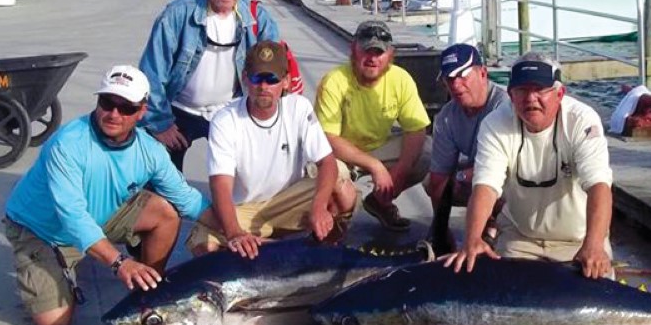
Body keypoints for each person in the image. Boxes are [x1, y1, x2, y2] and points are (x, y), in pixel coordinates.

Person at [3, 66, 211, 325]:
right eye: (107, 102)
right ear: (98, 101)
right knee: (54, 324)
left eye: (126, 108)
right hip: (43, 231)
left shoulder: (150, 151)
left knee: (166, 212)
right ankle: (59, 262)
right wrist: (118, 262)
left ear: (141, 111)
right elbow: (72, 216)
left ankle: (148, 287)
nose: (114, 113)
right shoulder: (67, 144)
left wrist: (235, 232)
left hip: (99, 215)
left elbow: (189, 200)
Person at [444, 52, 614, 279]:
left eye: (540, 89)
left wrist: (593, 244)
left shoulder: (582, 120)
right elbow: (486, 185)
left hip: (579, 239)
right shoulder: (495, 124)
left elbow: (599, 185)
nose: (531, 98)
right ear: (511, 96)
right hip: (521, 237)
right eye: (522, 90)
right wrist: (472, 239)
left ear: (560, 93)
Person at [187, 41, 358, 258]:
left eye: (272, 79)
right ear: (246, 79)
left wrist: (319, 206)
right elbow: (220, 184)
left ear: (286, 81)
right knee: (203, 246)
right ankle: (274, 249)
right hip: (247, 209)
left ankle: (328, 253)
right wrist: (234, 232)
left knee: (343, 183)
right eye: (257, 78)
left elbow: (327, 162)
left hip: (289, 198)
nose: (264, 87)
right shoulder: (225, 120)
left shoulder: (299, 107)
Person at [138, 0, 280, 171]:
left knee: (245, 178)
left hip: (230, 110)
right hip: (179, 110)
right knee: (161, 182)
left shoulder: (258, 18)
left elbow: (273, 74)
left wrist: (262, 117)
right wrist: (159, 124)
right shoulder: (177, 14)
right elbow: (151, 73)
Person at [315, 20, 432, 232]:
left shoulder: (401, 79)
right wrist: (375, 166)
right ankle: (339, 224)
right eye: (366, 51)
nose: (372, 58)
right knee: (335, 179)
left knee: (426, 151)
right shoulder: (334, 81)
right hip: (341, 153)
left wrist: (400, 171)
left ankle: (380, 202)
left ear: (390, 54)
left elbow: (416, 129)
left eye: (379, 52)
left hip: (378, 147)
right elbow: (327, 138)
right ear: (353, 50)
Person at [425, 43, 508, 246]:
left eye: (463, 75)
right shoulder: (446, 117)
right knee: (431, 183)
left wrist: (462, 176)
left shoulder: (505, 107)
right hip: (474, 172)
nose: (456, 84)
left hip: (508, 174)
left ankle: (494, 228)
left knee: (500, 181)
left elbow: (498, 167)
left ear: (483, 73)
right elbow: (438, 177)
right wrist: (442, 232)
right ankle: (445, 236)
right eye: (450, 79)